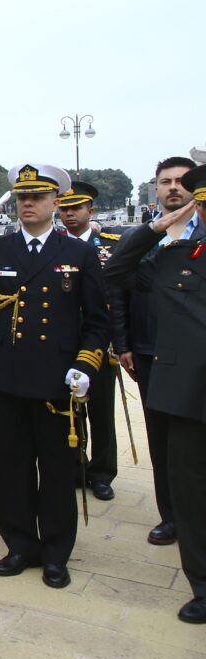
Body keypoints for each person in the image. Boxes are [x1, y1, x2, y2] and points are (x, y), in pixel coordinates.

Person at [0, 163, 108, 589]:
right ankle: (19, 545)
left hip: (55, 379)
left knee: (55, 471)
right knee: (12, 469)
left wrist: (86, 364)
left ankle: (55, 552)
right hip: (8, 379)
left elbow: (96, 320)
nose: (27, 204)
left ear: (57, 202)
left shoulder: (79, 253)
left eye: (36, 197)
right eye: (20, 198)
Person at [105, 164, 206, 623]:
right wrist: (153, 228)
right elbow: (118, 271)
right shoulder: (177, 256)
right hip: (187, 397)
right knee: (190, 493)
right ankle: (202, 585)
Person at [114, 156, 197, 547]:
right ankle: (172, 516)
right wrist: (124, 343)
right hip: (151, 351)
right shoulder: (143, 237)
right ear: (156, 187)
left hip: (194, 353)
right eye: (166, 181)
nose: (173, 188)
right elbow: (116, 290)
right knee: (163, 440)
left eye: (182, 181)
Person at [56, 181, 125, 501]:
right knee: (68, 411)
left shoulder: (112, 243)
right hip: (63, 342)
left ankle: (102, 473)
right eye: (64, 209)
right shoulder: (53, 246)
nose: (69, 215)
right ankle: (74, 467)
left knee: (101, 411)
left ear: (90, 211)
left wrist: (122, 342)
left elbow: (123, 295)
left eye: (76, 209)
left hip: (101, 343)